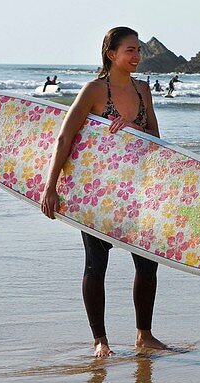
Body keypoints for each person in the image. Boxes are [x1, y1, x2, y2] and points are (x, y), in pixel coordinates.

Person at [41, 26, 164, 358]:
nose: (137, 56)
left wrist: (135, 128)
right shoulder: (94, 90)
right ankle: (101, 341)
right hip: (97, 191)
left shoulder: (143, 91)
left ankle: (144, 335)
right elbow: (65, 138)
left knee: (148, 263)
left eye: (139, 50)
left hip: (136, 189)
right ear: (112, 54)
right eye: (130, 50)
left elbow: (154, 135)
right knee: (97, 263)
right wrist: (50, 187)